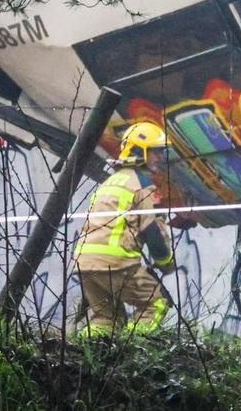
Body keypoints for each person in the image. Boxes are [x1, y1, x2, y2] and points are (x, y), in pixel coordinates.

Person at [73, 121, 175, 334]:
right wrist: (165, 261)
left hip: (85, 263)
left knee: (106, 318)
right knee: (155, 303)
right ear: (140, 152)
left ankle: (86, 357)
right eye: (155, 152)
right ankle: (131, 353)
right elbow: (151, 232)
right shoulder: (141, 185)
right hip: (116, 264)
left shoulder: (110, 182)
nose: (159, 158)